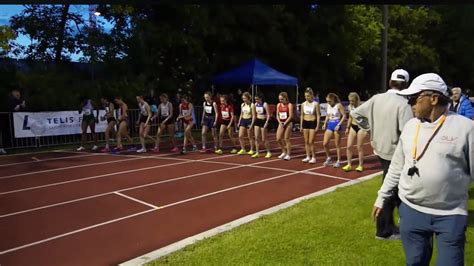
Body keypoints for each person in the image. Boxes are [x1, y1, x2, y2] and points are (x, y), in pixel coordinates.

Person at [372, 73, 474, 265]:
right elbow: (396, 167)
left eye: (414, 98)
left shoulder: (466, 128)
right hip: (411, 211)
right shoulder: (410, 126)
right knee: (415, 262)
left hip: (450, 214)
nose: (410, 104)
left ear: (434, 99)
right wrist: (381, 197)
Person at [351, 69, 413, 240]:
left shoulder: (376, 98)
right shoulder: (404, 103)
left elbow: (355, 113)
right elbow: (408, 131)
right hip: (396, 152)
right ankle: (383, 230)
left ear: (390, 82)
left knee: (392, 187)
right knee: (391, 189)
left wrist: (370, 128)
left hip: (380, 149)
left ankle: (391, 225)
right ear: (406, 85)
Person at [342, 92, 368, 172]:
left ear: (357, 100)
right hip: (353, 127)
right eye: (350, 101)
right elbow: (350, 117)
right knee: (349, 146)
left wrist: (367, 128)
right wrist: (347, 127)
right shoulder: (350, 107)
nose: (351, 102)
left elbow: (368, 117)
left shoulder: (362, 107)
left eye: (352, 101)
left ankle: (360, 165)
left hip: (361, 127)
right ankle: (349, 164)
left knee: (359, 147)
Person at [321, 93, 346, 167]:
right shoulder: (328, 106)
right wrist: (325, 124)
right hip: (330, 124)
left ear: (333, 100)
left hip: (337, 124)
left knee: (337, 144)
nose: (328, 102)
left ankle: (338, 161)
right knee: (325, 143)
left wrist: (339, 124)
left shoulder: (338, 105)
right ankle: (329, 158)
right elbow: (327, 115)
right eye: (327, 101)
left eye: (329, 101)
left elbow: (344, 115)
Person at [300, 88, 321, 164]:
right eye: (305, 96)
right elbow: (302, 115)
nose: (306, 97)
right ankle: (307, 156)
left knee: (311, 141)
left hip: (313, 123)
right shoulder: (303, 104)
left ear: (312, 95)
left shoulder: (316, 104)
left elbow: (318, 115)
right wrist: (301, 125)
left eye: (308, 96)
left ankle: (313, 157)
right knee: (306, 141)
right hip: (305, 123)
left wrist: (317, 126)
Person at [252, 92, 272, 159]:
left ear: (260, 99)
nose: (256, 101)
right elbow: (254, 115)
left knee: (264, 139)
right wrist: (252, 123)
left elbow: (268, 114)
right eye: (255, 99)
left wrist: (267, 122)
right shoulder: (255, 104)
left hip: (263, 121)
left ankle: (268, 152)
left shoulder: (265, 104)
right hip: (257, 121)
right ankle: (257, 152)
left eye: (257, 99)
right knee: (256, 137)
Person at [276, 92, 294, 161]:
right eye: (279, 99)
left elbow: (291, 116)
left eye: (282, 99)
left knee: (286, 138)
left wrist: (285, 123)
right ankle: (284, 151)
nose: (280, 101)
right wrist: (280, 122)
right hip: (281, 123)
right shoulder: (278, 105)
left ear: (286, 98)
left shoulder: (289, 105)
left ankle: (288, 155)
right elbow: (277, 114)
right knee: (278, 138)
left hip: (288, 123)